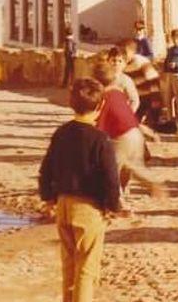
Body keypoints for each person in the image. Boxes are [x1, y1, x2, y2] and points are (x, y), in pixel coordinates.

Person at [38, 77, 121, 302]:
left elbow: (46, 169)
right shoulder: (100, 139)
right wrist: (113, 206)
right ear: (101, 106)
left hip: (63, 204)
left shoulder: (61, 133)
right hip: (88, 209)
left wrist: (48, 198)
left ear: (70, 103)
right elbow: (111, 178)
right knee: (86, 268)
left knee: (69, 265)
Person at [94, 63, 167, 213]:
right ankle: (151, 182)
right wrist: (148, 132)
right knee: (132, 166)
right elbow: (129, 117)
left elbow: (99, 126)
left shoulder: (103, 99)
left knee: (111, 170)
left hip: (122, 137)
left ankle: (119, 203)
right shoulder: (119, 94)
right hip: (134, 133)